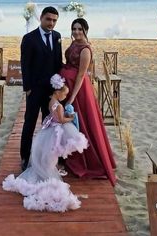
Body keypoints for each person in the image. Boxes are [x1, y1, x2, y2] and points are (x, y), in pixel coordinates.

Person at [3, 74, 88, 212]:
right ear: (57, 92)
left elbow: (53, 116)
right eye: (64, 94)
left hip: (47, 131)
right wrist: (71, 118)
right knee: (52, 154)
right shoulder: (59, 106)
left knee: (49, 154)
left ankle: (45, 170)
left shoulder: (51, 102)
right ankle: (47, 175)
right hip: (55, 132)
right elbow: (60, 120)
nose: (65, 97)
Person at [59, 18, 117, 186]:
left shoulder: (85, 49)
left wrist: (72, 97)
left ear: (85, 30)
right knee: (68, 124)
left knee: (81, 123)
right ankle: (69, 157)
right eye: (74, 29)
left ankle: (87, 160)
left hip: (78, 91)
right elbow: (69, 64)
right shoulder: (74, 43)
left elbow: (81, 76)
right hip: (66, 86)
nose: (76, 32)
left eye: (79, 29)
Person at [20, 6, 63, 171]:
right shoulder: (29, 39)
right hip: (34, 90)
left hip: (51, 91)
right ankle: (25, 157)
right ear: (41, 18)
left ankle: (46, 157)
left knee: (49, 124)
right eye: (49, 19)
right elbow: (25, 65)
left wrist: (58, 87)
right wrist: (28, 88)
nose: (51, 23)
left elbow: (58, 62)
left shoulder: (57, 36)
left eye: (54, 20)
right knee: (29, 123)